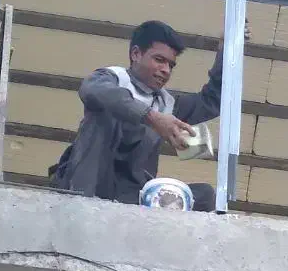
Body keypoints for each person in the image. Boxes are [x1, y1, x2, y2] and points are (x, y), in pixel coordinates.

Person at [50, 20, 222, 211]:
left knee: (205, 195)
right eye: (159, 60)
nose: (166, 70)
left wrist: (226, 52)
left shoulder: (166, 104)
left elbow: (212, 101)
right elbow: (93, 91)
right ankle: (82, 206)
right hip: (88, 188)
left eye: (171, 65)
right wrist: (152, 118)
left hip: (132, 200)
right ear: (136, 54)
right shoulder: (111, 78)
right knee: (105, 112)